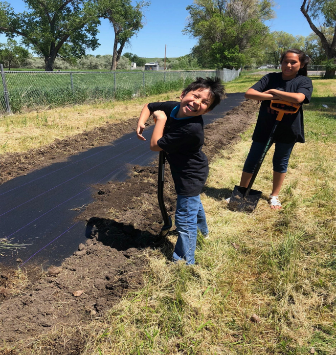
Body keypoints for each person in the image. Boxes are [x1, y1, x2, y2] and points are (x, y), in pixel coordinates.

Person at [136, 77, 225, 265]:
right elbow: (149, 105)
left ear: (207, 111)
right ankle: (203, 232)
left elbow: (155, 146)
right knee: (192, 203)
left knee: (184, 219)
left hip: (190, 174)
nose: (197, 103)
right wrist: (142, 122)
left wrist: (160, 120)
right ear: (183, 94)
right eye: (195, 96)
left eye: (204, 102)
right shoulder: (174, 107)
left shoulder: (191, 129)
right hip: (183, 169)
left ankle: (184, 261)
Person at [236, 49, 313, 209]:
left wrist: (272, 91)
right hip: (265, 126)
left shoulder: (303, 82)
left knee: (280, 161)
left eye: (294, 62)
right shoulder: (271, 78)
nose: (289, 65)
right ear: (281, 62)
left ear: (301, 64)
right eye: (286, 61)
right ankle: (241, 192)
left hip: (289, 128)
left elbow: (299, 98)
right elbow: (250, 93)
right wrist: (275, 96)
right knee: (252, 159)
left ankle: (274, 196)